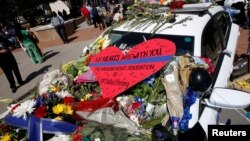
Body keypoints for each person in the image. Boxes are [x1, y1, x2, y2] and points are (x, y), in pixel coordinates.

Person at [0, 24, 25, 93]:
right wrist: (1, 51)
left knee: (15, 69)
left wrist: (10, 47)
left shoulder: (2, 38)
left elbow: (11, 44)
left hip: (9, 56)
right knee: (8, 73)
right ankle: (13, 86)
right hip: (2, 60)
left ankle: (20, 81)